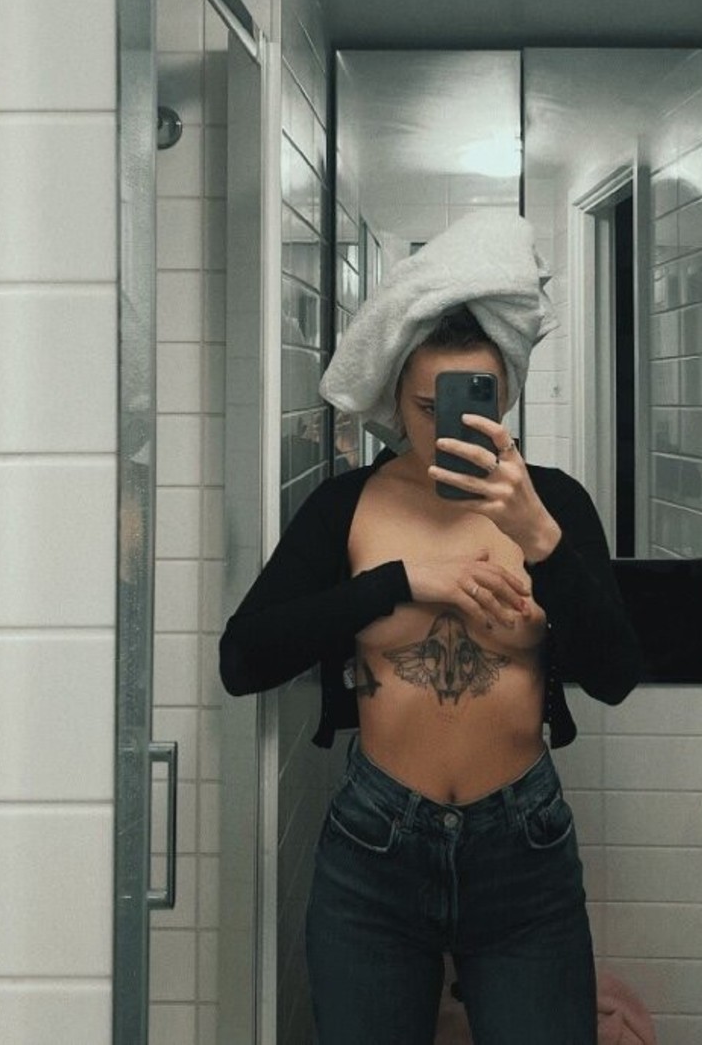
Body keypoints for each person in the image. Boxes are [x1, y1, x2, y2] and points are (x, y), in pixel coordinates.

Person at [219, 214, 642, 1045]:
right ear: (397, 399)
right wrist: (399, 582)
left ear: (503, 396)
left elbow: (617, 673)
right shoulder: (348, 505)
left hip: (522, 847)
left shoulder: (554, 504)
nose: (443, 427)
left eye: (469, 401)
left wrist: (540, 540)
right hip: (375, 846)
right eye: (424, 405)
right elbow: (244, 658)